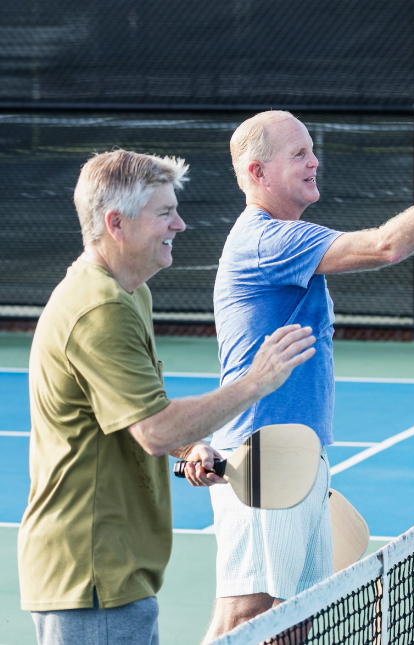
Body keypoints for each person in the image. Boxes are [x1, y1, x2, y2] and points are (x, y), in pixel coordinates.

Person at [202, 106, 414, 640]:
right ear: (257, 173)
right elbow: (385, 245)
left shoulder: (286, 238)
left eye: (311, 150)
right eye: (298, 153)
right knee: (245, 618)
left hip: (296, 456)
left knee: (290, 625)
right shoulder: (266, 239)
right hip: (263, 458)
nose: (314, 161)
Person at [18, 150, 317, 645]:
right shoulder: (99, 309)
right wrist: (255, 381)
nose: (179, 224)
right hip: (92, 576)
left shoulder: (130, 293)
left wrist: (189, 447)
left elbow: (136, 414)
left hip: (117, 572)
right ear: (116, 223)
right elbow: (155, 430)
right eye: (164, 213)